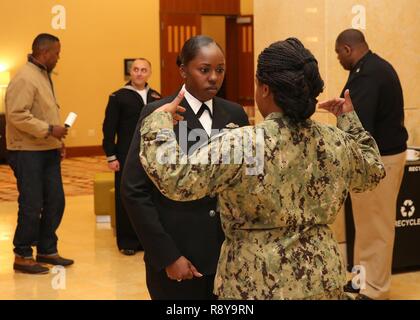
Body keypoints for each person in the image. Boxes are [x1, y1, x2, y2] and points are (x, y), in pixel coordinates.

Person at [138, 38, 386, 299]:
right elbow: (373, 171)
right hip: (322, 279)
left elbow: (176, 181)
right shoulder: (335, 141)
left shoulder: (243, 143)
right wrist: (349, 118)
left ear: (264, 89)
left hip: (256, 282)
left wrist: (158, 123)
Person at [121, 35, 249, 299]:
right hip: (178, 254)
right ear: (183, 70)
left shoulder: (235, 114)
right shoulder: (158, 114)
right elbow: (134, 190)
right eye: (204, 70)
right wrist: (167, 254)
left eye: (220, 70)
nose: (214, 77)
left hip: (226, 257)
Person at [335, 29, 408, 300]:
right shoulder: (375, 68)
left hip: (381, 161)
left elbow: (359, 123)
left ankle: (375, 289)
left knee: (376, 227)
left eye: (338, 54)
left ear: (347, 49)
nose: (339, 60)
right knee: (366, 226)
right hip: (380, 160)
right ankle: (360, 280)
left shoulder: (368, 74)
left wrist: (341, 116)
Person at [5, 33, 74, 274]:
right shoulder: (25, 77)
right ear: (44, 53)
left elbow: (44, 111)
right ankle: (22, 255)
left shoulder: (42, 74)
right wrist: (48, 129)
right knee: (32, 204)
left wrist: (56, 139)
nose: (58, 57)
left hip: (47, 149)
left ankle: (46, 249)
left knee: (56, 200)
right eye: (56, 53)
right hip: (27, 152)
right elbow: (16, 114)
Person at [102, 58, 161, 255]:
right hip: (125, 155)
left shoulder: (156, 97)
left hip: (151, 156)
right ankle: (127, 242)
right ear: (130, 73)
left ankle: (146, 240)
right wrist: (111, 156)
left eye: (143, 70)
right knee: (125, 197)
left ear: (149, 73)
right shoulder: (118, 97)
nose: (139, 73)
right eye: (135, 69)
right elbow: (109, 128)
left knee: (149, 198)